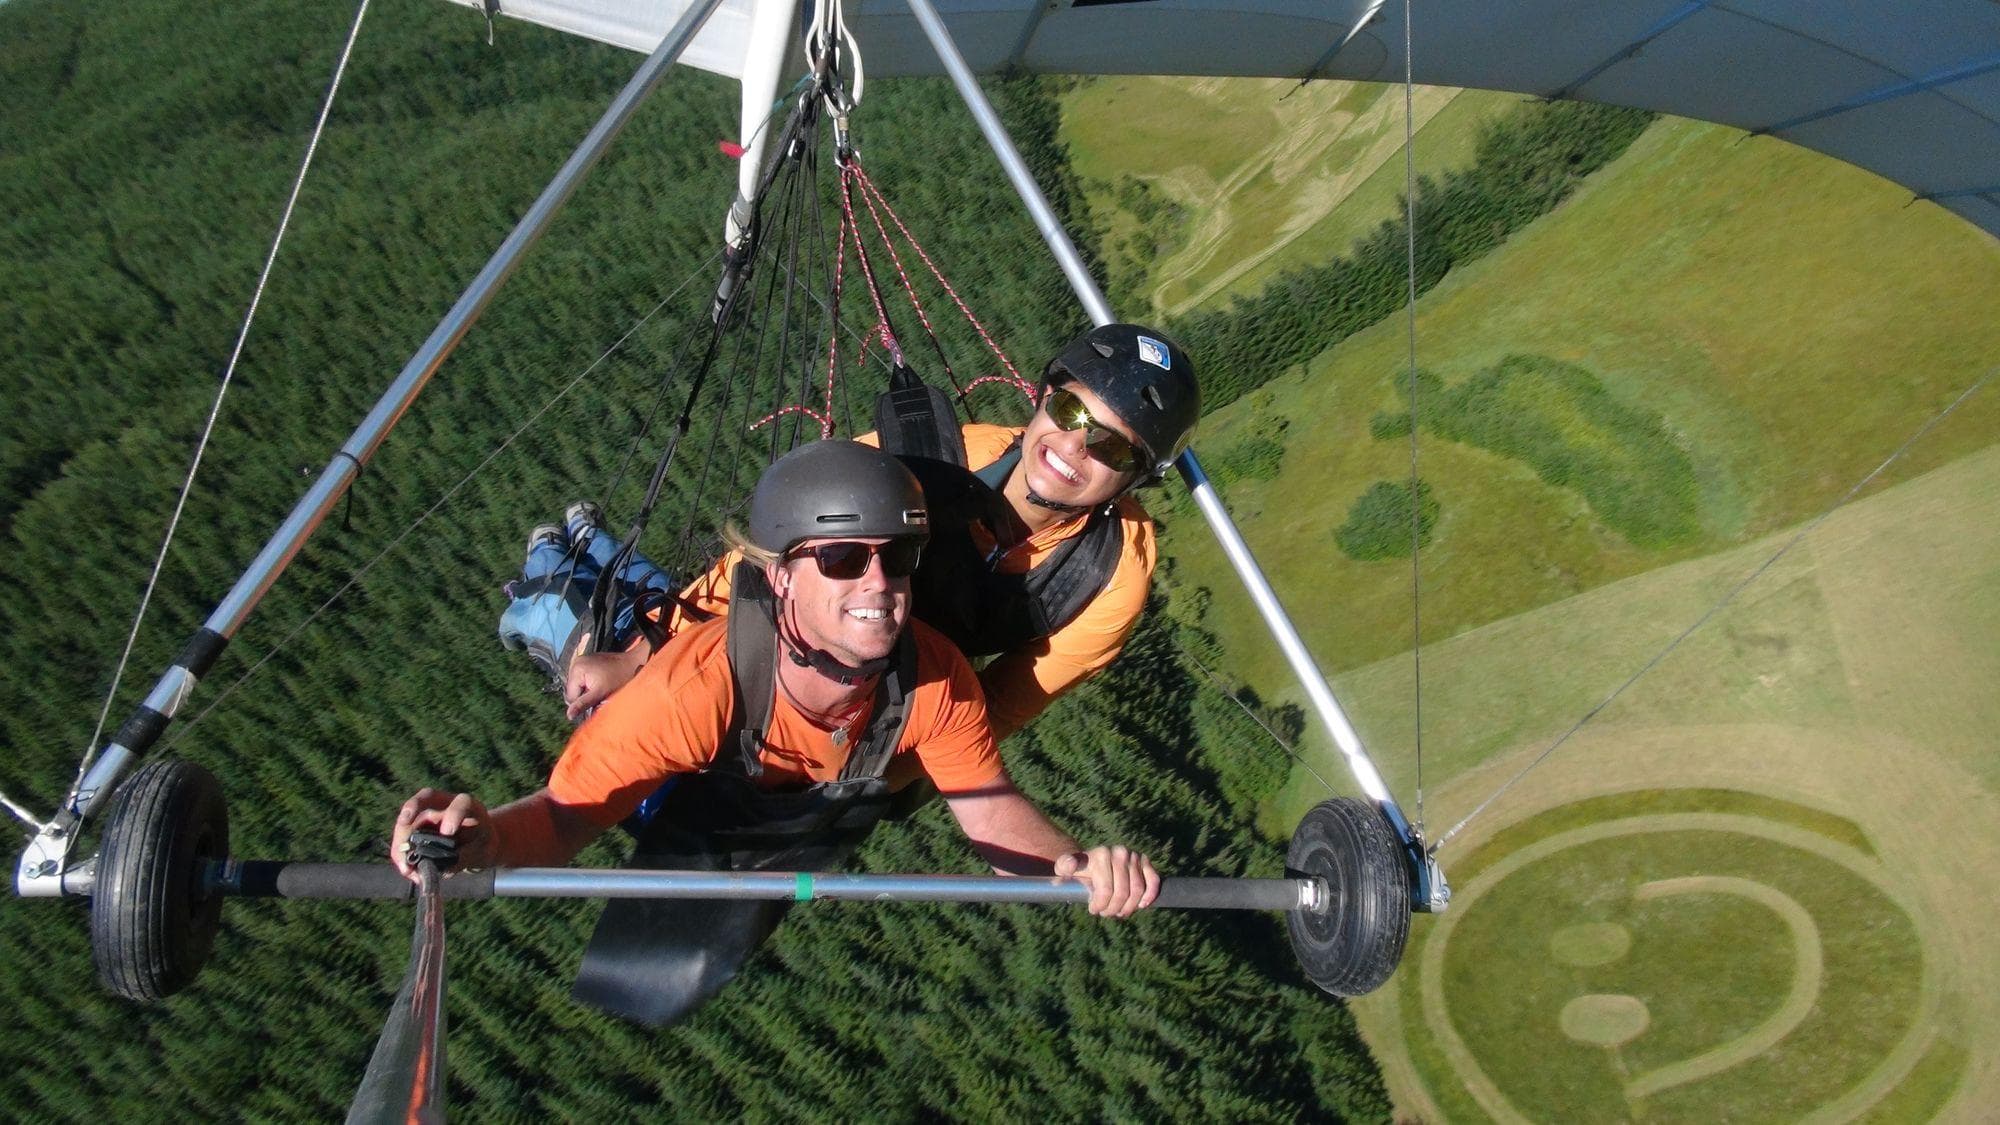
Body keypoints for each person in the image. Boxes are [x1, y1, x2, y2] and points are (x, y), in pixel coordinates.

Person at [397, 441, 1160, 1026]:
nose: (878, 584)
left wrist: (1074, 866)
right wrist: (481, 842)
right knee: (591, 657)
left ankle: (590, 543)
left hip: (791, 781)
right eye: (842, 556)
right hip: (693, 765)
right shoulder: (692, 692)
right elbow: (566, 816)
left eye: (898, 558)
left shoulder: (931, 674)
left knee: (657, 605)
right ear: (783, 573)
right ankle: (546, 588)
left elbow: (988, 807)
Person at [564, 323, 1202, 743]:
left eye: (1112, 449)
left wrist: (887, 780)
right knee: (580, 635)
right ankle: (565, 557)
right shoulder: (929, 465)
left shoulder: (1109, 573)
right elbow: (772, 557)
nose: (1071, 446)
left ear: (1134, 479)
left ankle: (588, 546)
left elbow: (1001, 703)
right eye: (1069, 411)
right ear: (1042, 398)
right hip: (799, 612)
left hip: (874, 667)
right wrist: (640, 658)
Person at [496, 501, 678, 692]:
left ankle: (574, 538)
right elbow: (510, 626)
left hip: (648, 624)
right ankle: (564, 541)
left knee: (573, 573)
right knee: (564, 574)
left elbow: (510, 626)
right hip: (654, 621)